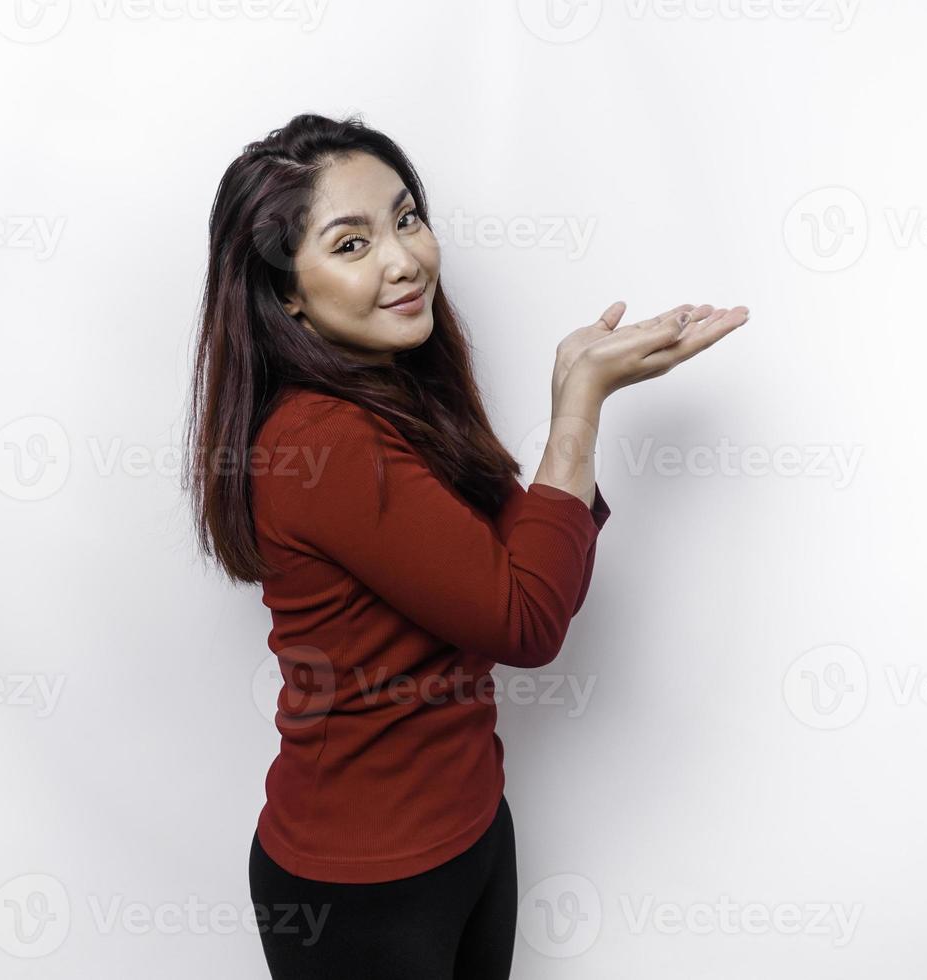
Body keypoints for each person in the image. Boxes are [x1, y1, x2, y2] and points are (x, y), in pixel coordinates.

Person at [183, 112, 749, 979]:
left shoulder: (395, 392)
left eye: (407, 218)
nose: (404, 259)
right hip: (365, 886)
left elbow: (519, 569)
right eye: (351, 243)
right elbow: (525, 621)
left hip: (472, 827)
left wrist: (573, 387)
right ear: (285, 293)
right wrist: (578, 406)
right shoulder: (324, 442)